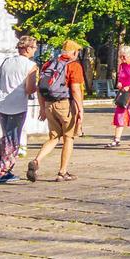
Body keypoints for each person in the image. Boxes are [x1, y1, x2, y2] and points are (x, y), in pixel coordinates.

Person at [29, 38, 85, 183]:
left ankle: (36, 161)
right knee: (68, 137)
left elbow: (40, 88)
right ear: (73, 52)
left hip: (49, 104)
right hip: (65, 105)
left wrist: (42, 108)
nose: (78, 53)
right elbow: (75, 89)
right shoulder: (74, 66)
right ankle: (62, 172)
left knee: (54, 137)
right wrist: (80, 110)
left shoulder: (48, 64)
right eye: (77, 51)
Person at [0, 35, 39, 184]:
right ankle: (4, 171)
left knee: (6, 137)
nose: (34, 50)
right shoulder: (30, 66)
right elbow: (30, 89)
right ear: (28, 48)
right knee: (13, 140)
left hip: (2, 104)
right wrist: (37, 86)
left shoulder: (7, 62)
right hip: (17, 105)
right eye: (34, 47)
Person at [110, 44, 130, 147]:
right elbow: (121, 77)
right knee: (120, 113)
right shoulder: (122, 65)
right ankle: (117, 138)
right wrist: (120, 83)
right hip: (124, 94)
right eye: (120, 56)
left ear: (129, 55)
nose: (122, 59)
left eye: (124, 56)